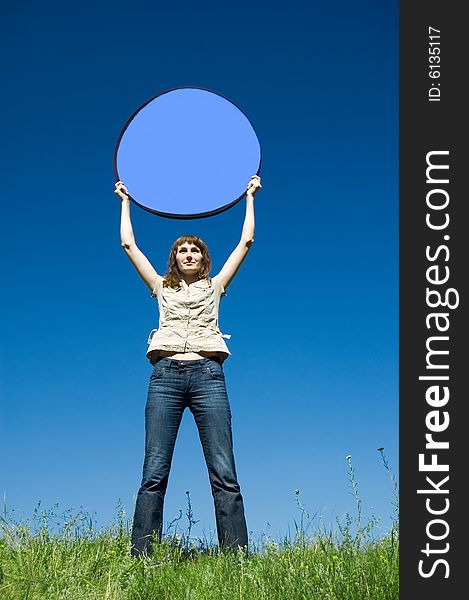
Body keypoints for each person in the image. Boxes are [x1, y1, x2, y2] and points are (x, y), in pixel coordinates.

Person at [114, 175, 262, 557]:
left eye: (195, 249)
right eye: (182, 250)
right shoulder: (161, 288)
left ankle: (237, 560)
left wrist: (249, 197)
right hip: (164, 377)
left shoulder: (215, 287)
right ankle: (142, 558)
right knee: (154, 472)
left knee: (224, 473)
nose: (189, 254)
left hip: (208, 376)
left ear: (204, 258)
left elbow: (245, 243)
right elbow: (129, 245)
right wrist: (126, 202)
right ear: (175, 259)